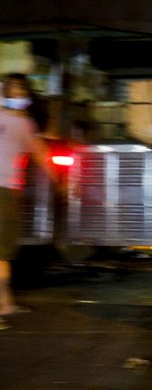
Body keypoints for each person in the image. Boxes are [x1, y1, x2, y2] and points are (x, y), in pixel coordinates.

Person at [0, 74, 60, 329]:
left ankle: (6, 302)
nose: (16, 95)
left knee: (3, 251)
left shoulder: (25, 124)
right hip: (3, 190)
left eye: (20, 90)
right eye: (11, 90)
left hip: (9, 189)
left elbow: (38, 152)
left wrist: (58, 178)